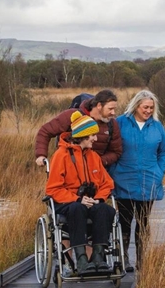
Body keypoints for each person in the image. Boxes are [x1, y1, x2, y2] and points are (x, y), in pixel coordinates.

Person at [45, 112, 117, 274]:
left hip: (91, 200)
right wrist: (78, 199)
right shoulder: (61, 156)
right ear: (82, 136)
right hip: (67, 202)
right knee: (77, 209)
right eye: (92, 135)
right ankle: (82, 260)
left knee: (104, 209)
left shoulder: (94, 157)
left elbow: (107, 183)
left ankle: (98, 258)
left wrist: (98, 199)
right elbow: (53, 189)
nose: (95, 139)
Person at [111, 89, 165, 271]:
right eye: (145, 107)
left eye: (151, 108)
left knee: (143, 222)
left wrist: (159, 172)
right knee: (125, 221)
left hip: (149, 182)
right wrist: (114, 172)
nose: (148, 111)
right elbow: (110, 148)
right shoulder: (120, 123)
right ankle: (124, 259)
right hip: (124, 180)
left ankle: (141, 260)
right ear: (136, 105)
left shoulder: (157, 127)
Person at [34, 89, 123, 168]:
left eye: (114, 109)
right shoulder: (72, 115)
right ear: (99, 105)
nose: (113, 113)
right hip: (68, 169)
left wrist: (97, 161)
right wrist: (41, 155)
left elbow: (116, 152)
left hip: (95, 173)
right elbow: (45, 131)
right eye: (110, 109)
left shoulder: (112, 124)